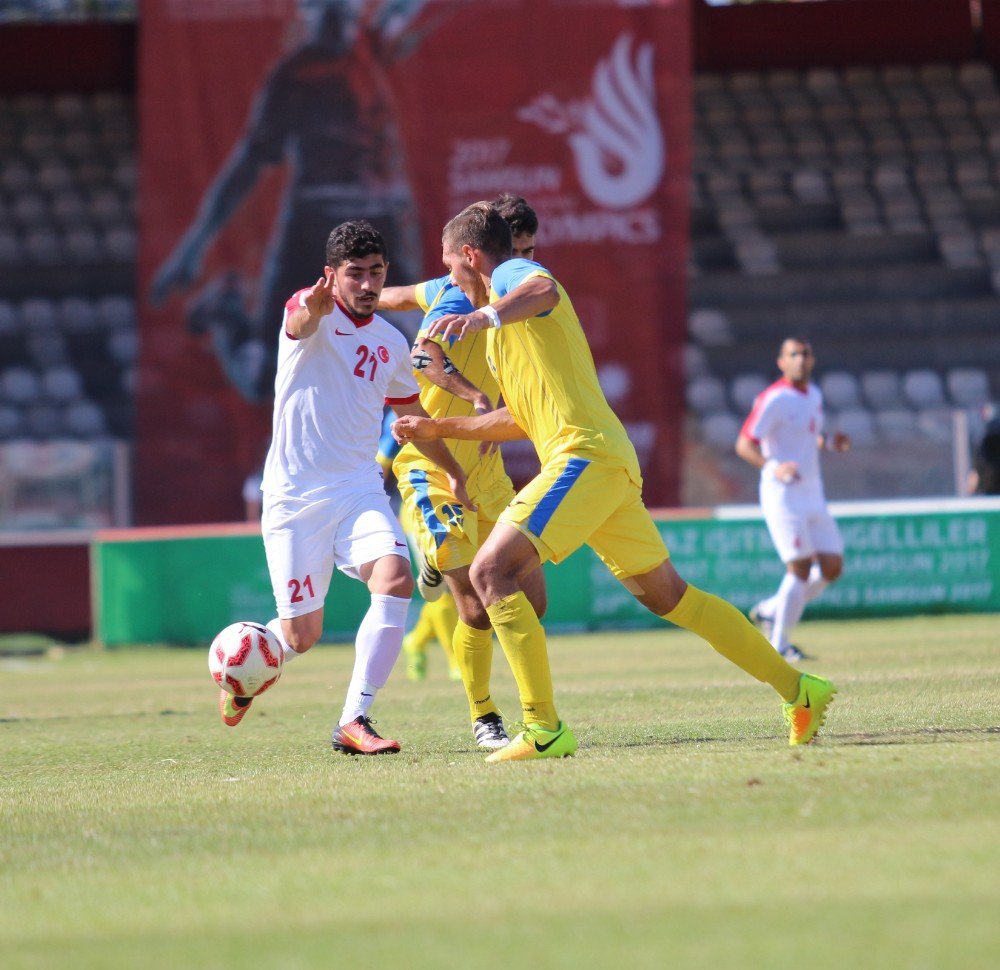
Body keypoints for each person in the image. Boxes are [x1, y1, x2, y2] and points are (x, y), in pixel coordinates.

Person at [393, 202, 837, 761]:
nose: (449, 284)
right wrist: (438, 426)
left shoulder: (508, 282)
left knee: (490, 570)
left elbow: (543, 290)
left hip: (583, 458)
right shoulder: (504, 338)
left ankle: (543, 729)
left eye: (451, 268)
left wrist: (486, 316)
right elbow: (520, 418)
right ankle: (801, 692)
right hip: (601, 460)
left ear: (470, 256)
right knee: (672, 599)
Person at [224, 220, 469, 758]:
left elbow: (412, 416)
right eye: (354, 274)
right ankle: (242, 670)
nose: (367, 284)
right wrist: (312, 305)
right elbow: (299, 317)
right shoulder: (311, 311)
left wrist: (453, 470)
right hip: (294, 497)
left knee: (396, 576)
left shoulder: (390, 342)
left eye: (376, 273)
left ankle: (354, 718)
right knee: (300, 637)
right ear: (331, 275)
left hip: (358, 489)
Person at [150, 1, 434, 401]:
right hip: (314, 226)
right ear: (308, 14)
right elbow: (249, 161)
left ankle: (389, 456)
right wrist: (194, 245)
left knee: (419, 363)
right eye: (326, 12)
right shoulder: (296, 74)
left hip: (381, 223)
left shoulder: (372, 46)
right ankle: (226, 311)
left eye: (345, 11)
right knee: (267, 378)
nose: (336, 21)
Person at [735, 338, 850, 662]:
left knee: (831, 566)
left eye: (805, 354)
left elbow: (806, 435)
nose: (800, 359)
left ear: (812, 360)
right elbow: (744, 444)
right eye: (793, 354)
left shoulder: (813, 395)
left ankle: (772, 609)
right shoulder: (773, 398)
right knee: (799, 568)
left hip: (813, 493)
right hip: (782, 494)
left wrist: (829, 443)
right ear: (781, 362)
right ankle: (779, 646)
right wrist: (774, 466)